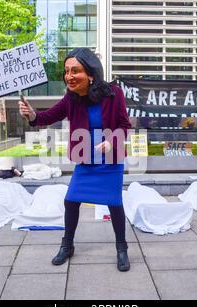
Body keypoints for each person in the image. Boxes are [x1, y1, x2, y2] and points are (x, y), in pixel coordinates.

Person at [19, 48, 132, 271]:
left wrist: (112, 140)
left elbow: (124, 125)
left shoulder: (114, 93)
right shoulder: (71, 98)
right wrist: (32, 115)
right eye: (66, 71)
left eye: (75, 71)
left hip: (110, 159)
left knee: (115, 203)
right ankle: (67, 245)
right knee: (71, 200)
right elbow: (47, 116)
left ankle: (122, 249)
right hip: (86, 159)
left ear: (90, 74)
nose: (69, 76)